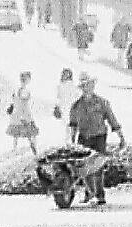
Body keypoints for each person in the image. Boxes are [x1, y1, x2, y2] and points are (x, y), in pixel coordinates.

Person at [69, 72, 126, 205]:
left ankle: (100, 195)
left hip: (99, 136)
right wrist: (72, 141)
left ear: (92, 86)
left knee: (98, 166)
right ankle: (89, 193)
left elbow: (112, 120)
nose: (86, 88)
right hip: (84, 137)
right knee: (84, 166)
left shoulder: (101, 103)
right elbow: (73, 124)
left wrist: (121, 137)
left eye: (88, 85)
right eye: (84, 86)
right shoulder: (76, 106)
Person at [6, 71, 39, 154]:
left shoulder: (17, 89)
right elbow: (23, 102)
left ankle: (15, 148)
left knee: (17, 133)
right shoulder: (24, 90)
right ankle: (33, 147)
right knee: (30, 132)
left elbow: (15, 101)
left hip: (17, 113)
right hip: (24, 113)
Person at [54, 68, 81, 143]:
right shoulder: (60, 86)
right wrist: (57, 106)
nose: (65, 76)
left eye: (67, 74)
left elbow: (77, 95)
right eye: (64, 74)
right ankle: (68, 141)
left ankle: (71, 141)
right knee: (67, 125)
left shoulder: (72, 85)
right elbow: (58, 97)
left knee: (70, 125)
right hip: (64, 107)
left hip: (70, 107)